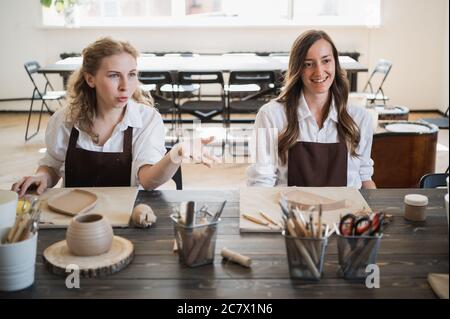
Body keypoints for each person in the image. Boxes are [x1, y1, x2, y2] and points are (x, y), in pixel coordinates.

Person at [12, 37, 215, 197]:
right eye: (114, 75)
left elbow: (148, 180)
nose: (125, 86)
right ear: (90, 79)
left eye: (132, 74)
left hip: (128, 217)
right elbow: (52, 165)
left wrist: (176, 154)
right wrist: (41, 176)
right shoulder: (65, 119)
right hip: (73, 218)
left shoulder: (146, 120)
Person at [247, 30, 376, 189]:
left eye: (326, 61)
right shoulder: (270, 115)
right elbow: (261, 181)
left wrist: (374, 212)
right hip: (289, 212)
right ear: (297, 69)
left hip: (346, 212)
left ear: (335, 63)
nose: (319, 71)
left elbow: (364, 176)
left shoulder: (360, 118)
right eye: (308, 64)